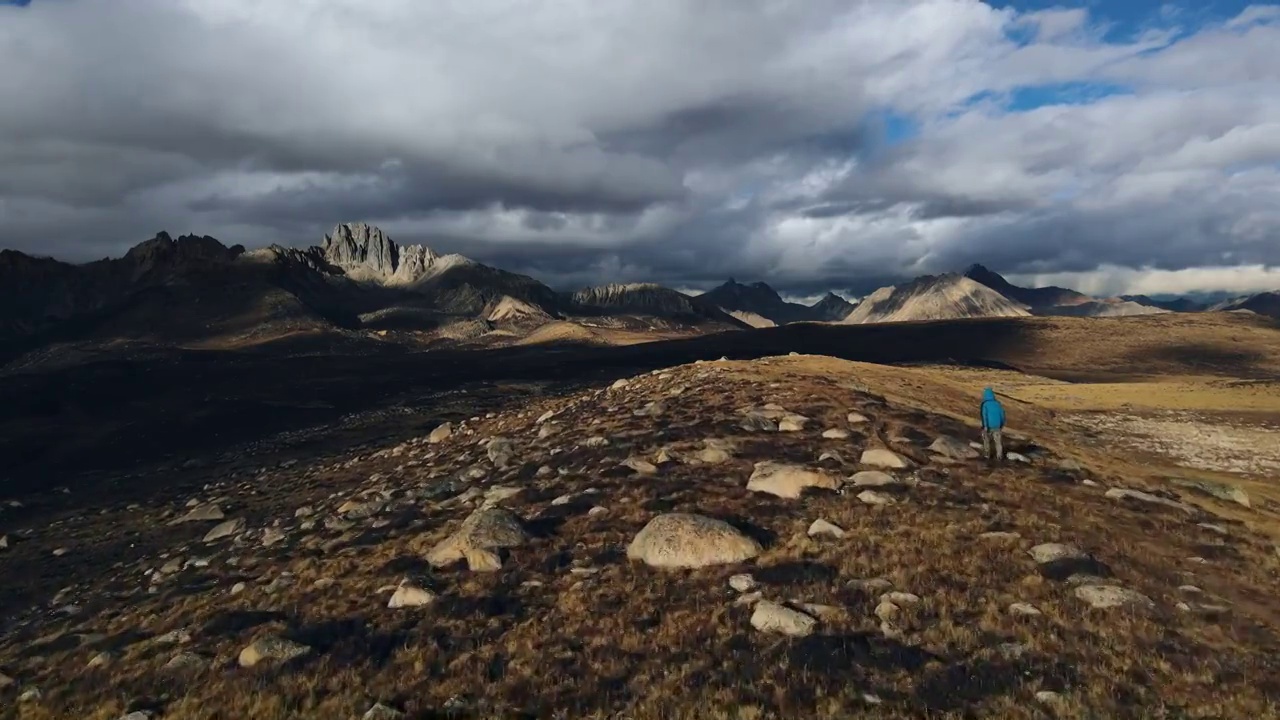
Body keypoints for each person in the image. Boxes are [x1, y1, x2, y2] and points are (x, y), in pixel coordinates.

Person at [980, 387, 1005, 462]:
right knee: (998, 442)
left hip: (988, 426)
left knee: (986, 441)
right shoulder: (998, 404)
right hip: (997, 426)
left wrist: (985, 426)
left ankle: (987, 455)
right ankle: (999, 456)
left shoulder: (985, 404)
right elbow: (1002, 415)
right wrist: (1001, 424)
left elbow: (984, 416)